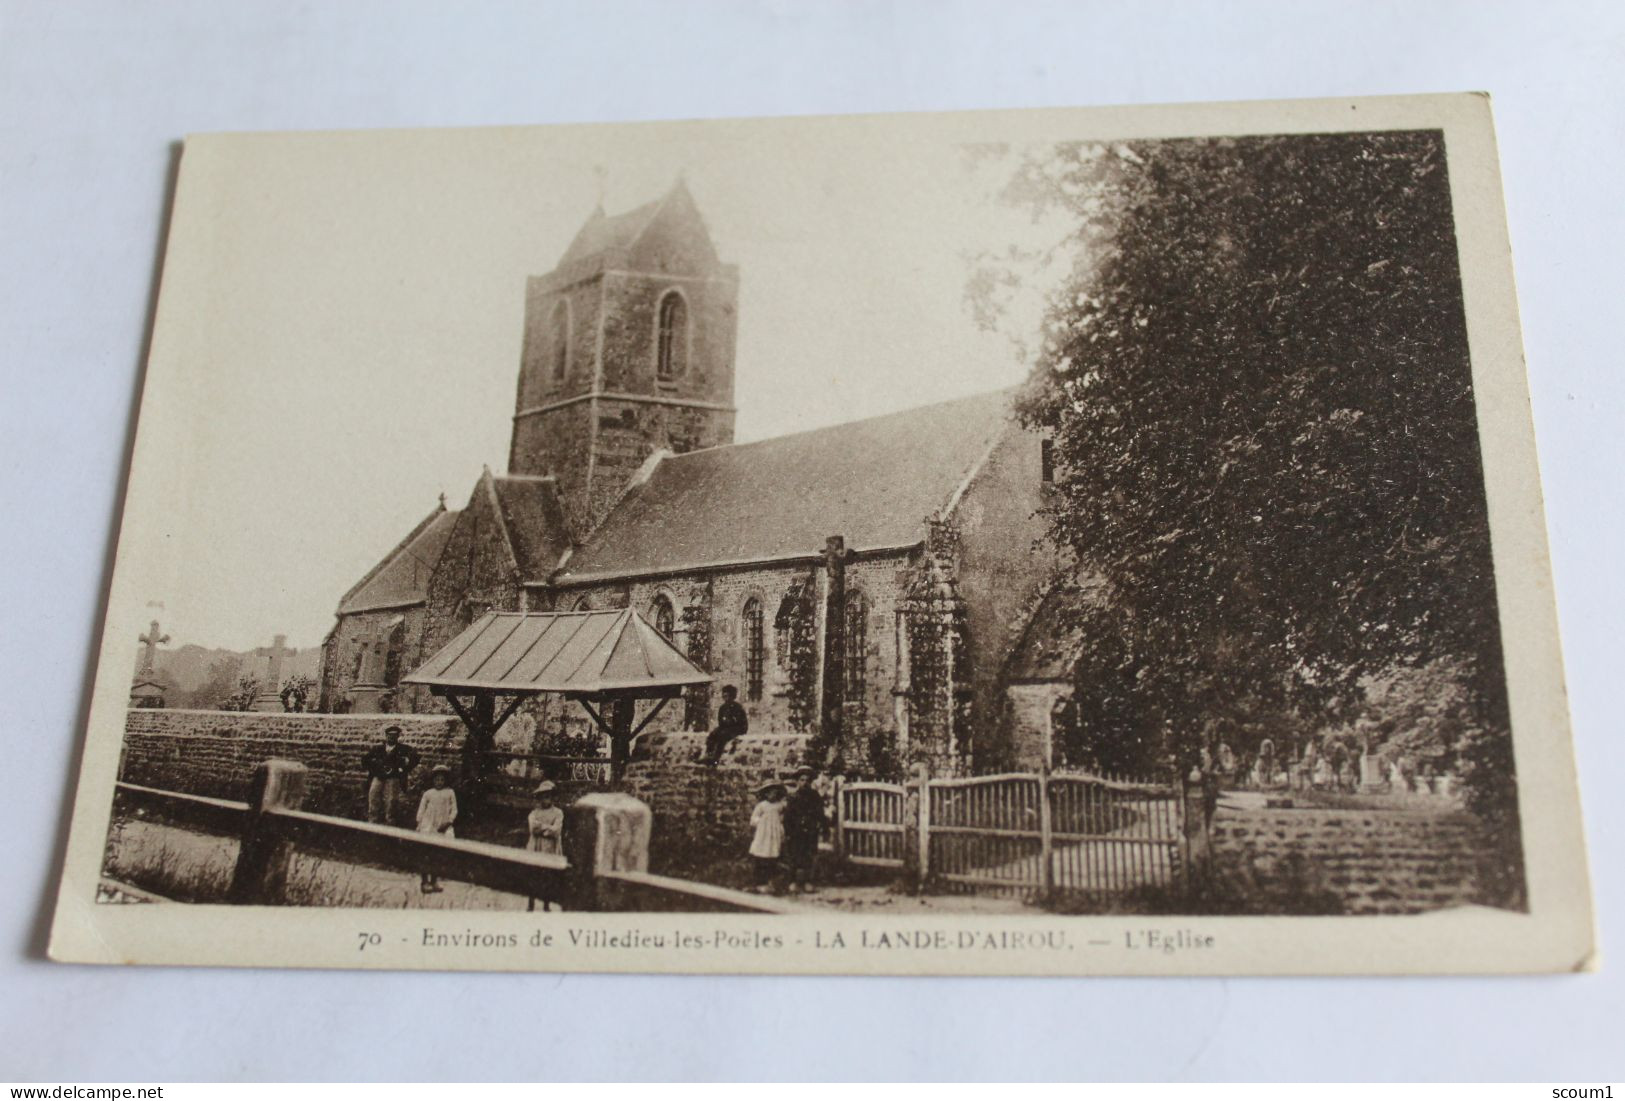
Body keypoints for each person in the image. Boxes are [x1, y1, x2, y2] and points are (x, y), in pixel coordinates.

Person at [362, 724, 420, 825]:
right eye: (389, 735)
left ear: (398, 737)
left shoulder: (404, 749)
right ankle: (373, 820)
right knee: (373, 795)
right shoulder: (378, 749)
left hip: (393, 777)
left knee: (391, 800)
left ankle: (390, 821)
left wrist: (404, 767)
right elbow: (365, 760)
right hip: (379, 776)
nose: (391, 737)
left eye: (394, 735)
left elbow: (415, 758)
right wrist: (375, 769)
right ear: (386, 736)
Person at [782, 766, 826, 893]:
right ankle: (793, 881)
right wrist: (788, 832)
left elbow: (820, 813)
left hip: (810, 831)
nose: (804, 783)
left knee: (809, 856)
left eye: (807, 780)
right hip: (796, 831)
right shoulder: (793, 797)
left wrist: (822, 825)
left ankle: (808, 881)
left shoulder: (815, 796)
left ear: (811, 782)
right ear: (797, 781)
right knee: (794, 855)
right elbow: (788, 817)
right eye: (802, 780)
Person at [415, 765, 458, 893]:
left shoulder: (450, 792)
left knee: (437, 856)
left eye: (442, 780)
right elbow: (421, 810)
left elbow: (454, 809)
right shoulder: (428, 793)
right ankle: (424, 882)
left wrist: (448, 822)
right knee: (426, 854)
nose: (439, 782)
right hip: (428, 826)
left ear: (446, 781)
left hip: (442, 826)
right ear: (433, 780)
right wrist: (419, 823)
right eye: (437, 780)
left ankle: (434, 881)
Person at [747, 781, 786, 892]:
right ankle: (760, 882)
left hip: (774, 834)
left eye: (774, 793)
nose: (772, 795)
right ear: (766, 794)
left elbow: (781, 819)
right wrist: (762, 822)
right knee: (761, 856)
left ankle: (770, 882)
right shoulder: (762, 806)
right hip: (763, 834)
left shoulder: (779, 806)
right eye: (770, 793)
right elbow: (753, 819)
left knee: (772, 856)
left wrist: (781, 829)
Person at [703, 685, 748, 766]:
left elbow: (740, 723)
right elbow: (721, 722)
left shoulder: (737, 707)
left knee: (722, 737)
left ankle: (715, 759)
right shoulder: (722, 708)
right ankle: (708, 755)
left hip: (737, 729)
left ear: (732, 696)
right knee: (712, 735)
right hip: (726, 728)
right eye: (724, 696)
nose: (725, 698)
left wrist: (729, 725)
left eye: (727, 696)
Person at [527, 781, 564, 856]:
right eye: (543, 796)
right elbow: (533, 829)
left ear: (552, 797)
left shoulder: (558, 813)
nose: (545, 799)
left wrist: (541, 827)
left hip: (551, 846)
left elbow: (556, 831)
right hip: (535, 845)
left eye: (548, 796)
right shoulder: (534, 813)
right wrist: (549, 828)